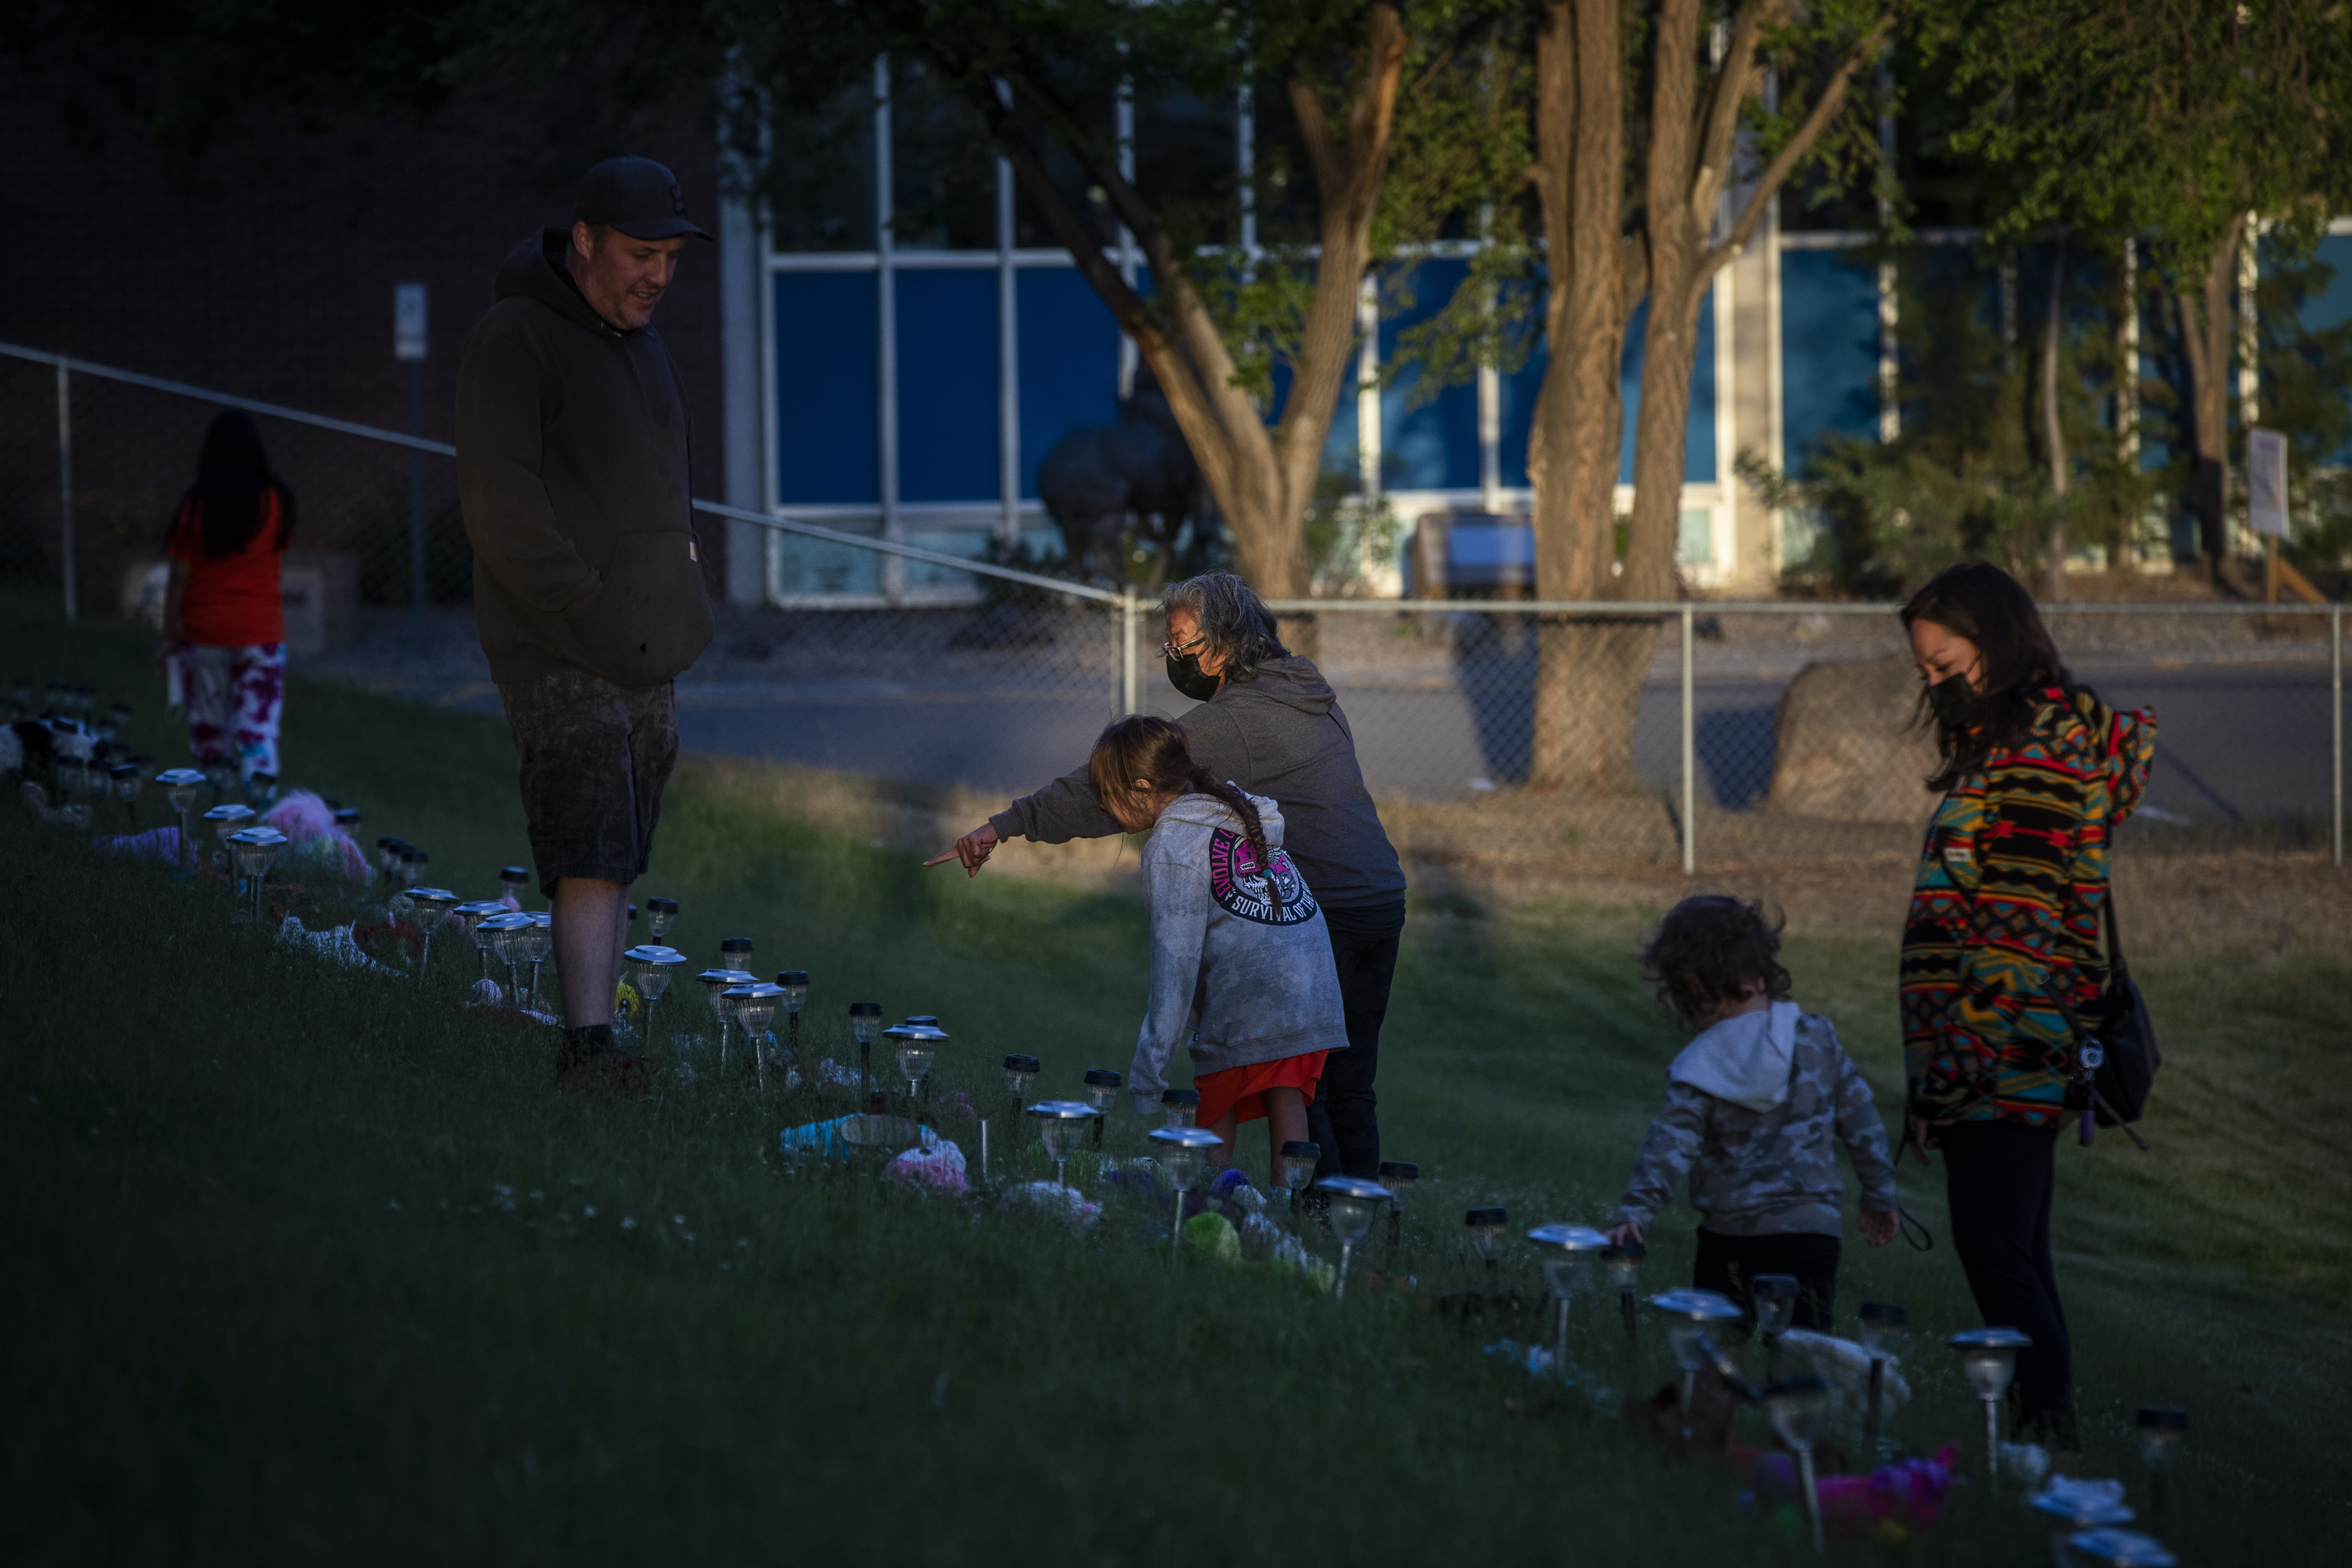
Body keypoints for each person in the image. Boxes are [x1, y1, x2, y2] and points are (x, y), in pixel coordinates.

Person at [934, 572, 1405, 1179]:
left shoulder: (1239, 719)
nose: (1173, 657)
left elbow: (1126, 776)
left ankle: (1319, 1219)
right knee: (1347, 1084)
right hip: (1380, 902)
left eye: (1183, 642)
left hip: (1330, 914)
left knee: (1310, 1086)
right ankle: (1355, 1222)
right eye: (1168, 645)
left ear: (1229, 641)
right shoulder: (1309, 689)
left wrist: (1008, 823)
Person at [457, 155, 715, 1082]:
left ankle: (598, 1040)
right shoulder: (516, 336)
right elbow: (500, 505)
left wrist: (684, 600)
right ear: (584, 243)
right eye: (641, 253)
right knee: (588, 841)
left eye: (670, 258)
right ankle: (586, 1050)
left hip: (647, 650)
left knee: (619, 849)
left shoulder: (639, 342)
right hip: (559, 644)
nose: (658, 275)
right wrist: (591, 608)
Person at [1897, 562, 2155, 1454]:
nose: (1934, 684)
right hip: (1996, 1049)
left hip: (2009, 1045)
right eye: (1924, 670)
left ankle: (2042, 1451)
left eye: (1946, 663)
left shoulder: (2040, 742)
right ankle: (2044, 1447)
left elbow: (2012, 929)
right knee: (2016, 1249)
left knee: (1993, 1253)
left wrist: (1947, 1076)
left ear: (1998, 642)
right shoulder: (2013, 736)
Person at [1607, 896, 1900, 1332]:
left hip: (1731, 1240)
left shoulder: (1700, 1067)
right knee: (1804, 1355)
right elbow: (1862, 1122)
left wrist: (1636, 1213)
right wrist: (1879, 1194)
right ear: (1762, 971)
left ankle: (1713, 1400)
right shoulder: (1817, 1039)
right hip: (1811, 1234)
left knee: (1717, 1356)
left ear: (1686, 991)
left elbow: (1670, 1147)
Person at [1091, 715, 1348, 1187]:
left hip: (1254, 988)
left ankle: (1207, 1201)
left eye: (1107, 795)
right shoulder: (1235, 810)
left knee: (1217, 1100)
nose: (1105, 808)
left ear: (1142, 787)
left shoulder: (1172, 843)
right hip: (1313, 982)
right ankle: (1284, 1214)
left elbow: (1175, 963)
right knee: (1285, 1094)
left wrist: (1150, 1072)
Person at [156, 410, 294, 785]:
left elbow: (179, 576)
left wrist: (170, 636)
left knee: (209, 735)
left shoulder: (194, 507)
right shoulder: (275, 502)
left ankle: (212, 818)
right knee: (258, 731)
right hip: (261, 633)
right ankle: (261, 824)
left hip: (204, 634)